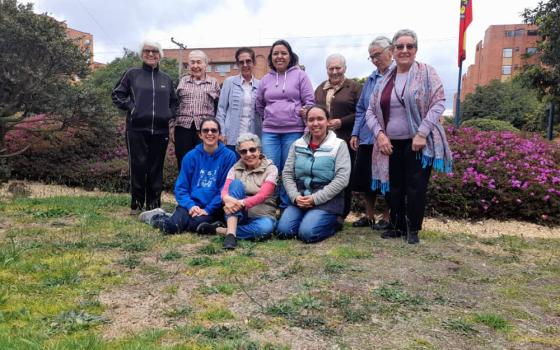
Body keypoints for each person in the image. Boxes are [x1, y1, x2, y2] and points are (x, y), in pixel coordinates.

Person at [366, 29, 453, 244]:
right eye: (400, 46)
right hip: (389, 144)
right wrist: (380, 136)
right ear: (393, 51)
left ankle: (412, 229)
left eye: (410, 46)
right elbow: (370, 111)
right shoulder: (384, 79)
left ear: (416, 49)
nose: (405, 50)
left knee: (415, 186)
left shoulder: (427, 72)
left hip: (418, 143)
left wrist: (422, 133)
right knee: (393, 186)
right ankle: (396, 225)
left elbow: (439, 101)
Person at [111, 40, 178, 215]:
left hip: (160, 130)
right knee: (138, 165)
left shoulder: (166, 78)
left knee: (156, 167)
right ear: (142, 54)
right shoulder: (132, 74)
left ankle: (154, 204)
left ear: (160, 55)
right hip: (136, 129)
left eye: (154, 51)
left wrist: (168, 114)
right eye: (147, 51)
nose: (150, 54)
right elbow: (117, 94)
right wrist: (133, 108)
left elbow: (174, 102)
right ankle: (137, 204)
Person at [139, 118, 237, 234]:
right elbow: (181, 188)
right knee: (172, 227)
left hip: (213, 206)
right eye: (205, 130)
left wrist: (207, 209)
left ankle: (185, 220)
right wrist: (190, 206)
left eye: (213, 130)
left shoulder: (229, 156)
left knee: (196, 224)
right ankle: (156, 217)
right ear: (200, 135)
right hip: (191, 204)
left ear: (219, 134)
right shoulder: (190, 156)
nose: (209, 133)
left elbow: (224, 189)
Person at [277, 105, 351, 243]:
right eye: (311, 120)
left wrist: (315, 199)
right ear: (306, 123)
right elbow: (287, 174)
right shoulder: (297, 144)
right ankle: (309, 218)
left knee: (308, 234)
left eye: (320, 119)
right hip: (301, 197)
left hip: (327, 199)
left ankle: (335, 222)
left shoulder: (339, 145)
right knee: (284, 231)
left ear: (328, 121)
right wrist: (295, 197)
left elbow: (342, 179)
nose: (315, 123)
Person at [256, 39, 315, 207]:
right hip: (270, 132)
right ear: (271, 57)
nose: (279, 56)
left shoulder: (300, 75)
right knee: (270, 169)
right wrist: (270, 115)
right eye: (275, 53)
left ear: (290, 56)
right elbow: (259, 104)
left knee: (289, 170)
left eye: (283, 53)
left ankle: (285, 205)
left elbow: (310, 102)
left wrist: (298, 115)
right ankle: (269, 205)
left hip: (293, 131)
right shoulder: (266, 79)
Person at [197, 133, 278, 249]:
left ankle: (221, 230)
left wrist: (240, 203)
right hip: (237, 215)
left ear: (259, 150)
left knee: (265, 229)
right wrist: (226, 198)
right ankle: (231, 235)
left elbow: (264, 194)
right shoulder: (234, 168)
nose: (248, 154)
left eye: (252, 149)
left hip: (262, 216)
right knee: (235, 184)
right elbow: (224, 191)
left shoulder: (271, 169)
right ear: (239, 154)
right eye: (243, 151)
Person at [350, 36, 394, 230]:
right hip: (368, 137)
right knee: (367, 179)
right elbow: (361, 108)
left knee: (388, 178)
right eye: (371, 57)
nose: (375, 60)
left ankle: (387, 216)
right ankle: (368, 215)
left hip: (389, 137)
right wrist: (355, 133)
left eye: (377, 55)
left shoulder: (398, 74)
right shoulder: (371, 78)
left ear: (390, 51)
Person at [314, 53, 362, 218]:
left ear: (344, 68)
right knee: (326, 175)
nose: (334, 71)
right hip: (324, 141)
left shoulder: (354, 87)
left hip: (346, 140)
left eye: (338, 68)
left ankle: (342, 212)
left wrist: (342, 122)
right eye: (331, 68)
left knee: (344, 176)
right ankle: (326, 209)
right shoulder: (320, 88)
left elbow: (362, 112)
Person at [172, 50, 220, 172]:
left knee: (204, 162)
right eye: (192, 62)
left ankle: (201, 190)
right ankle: (184, 190)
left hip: (205, 130)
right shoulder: (182, 81)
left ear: (206, 64)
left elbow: (219, 107)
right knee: (183, 161)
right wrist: (171, 126)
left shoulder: (214, 83)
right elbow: (174, 105)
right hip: (183, 127)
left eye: (199, 62)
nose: (195, 66)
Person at [216, 48, 261, 153]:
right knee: (232, 167)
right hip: (231, 138)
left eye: (248, 61)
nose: (245, 65)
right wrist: (222, 133)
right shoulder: (229, 82)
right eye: (241, 62)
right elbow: (221, 109)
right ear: (238, 64)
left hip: (253, 138)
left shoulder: (261, 85)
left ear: (253, 62)